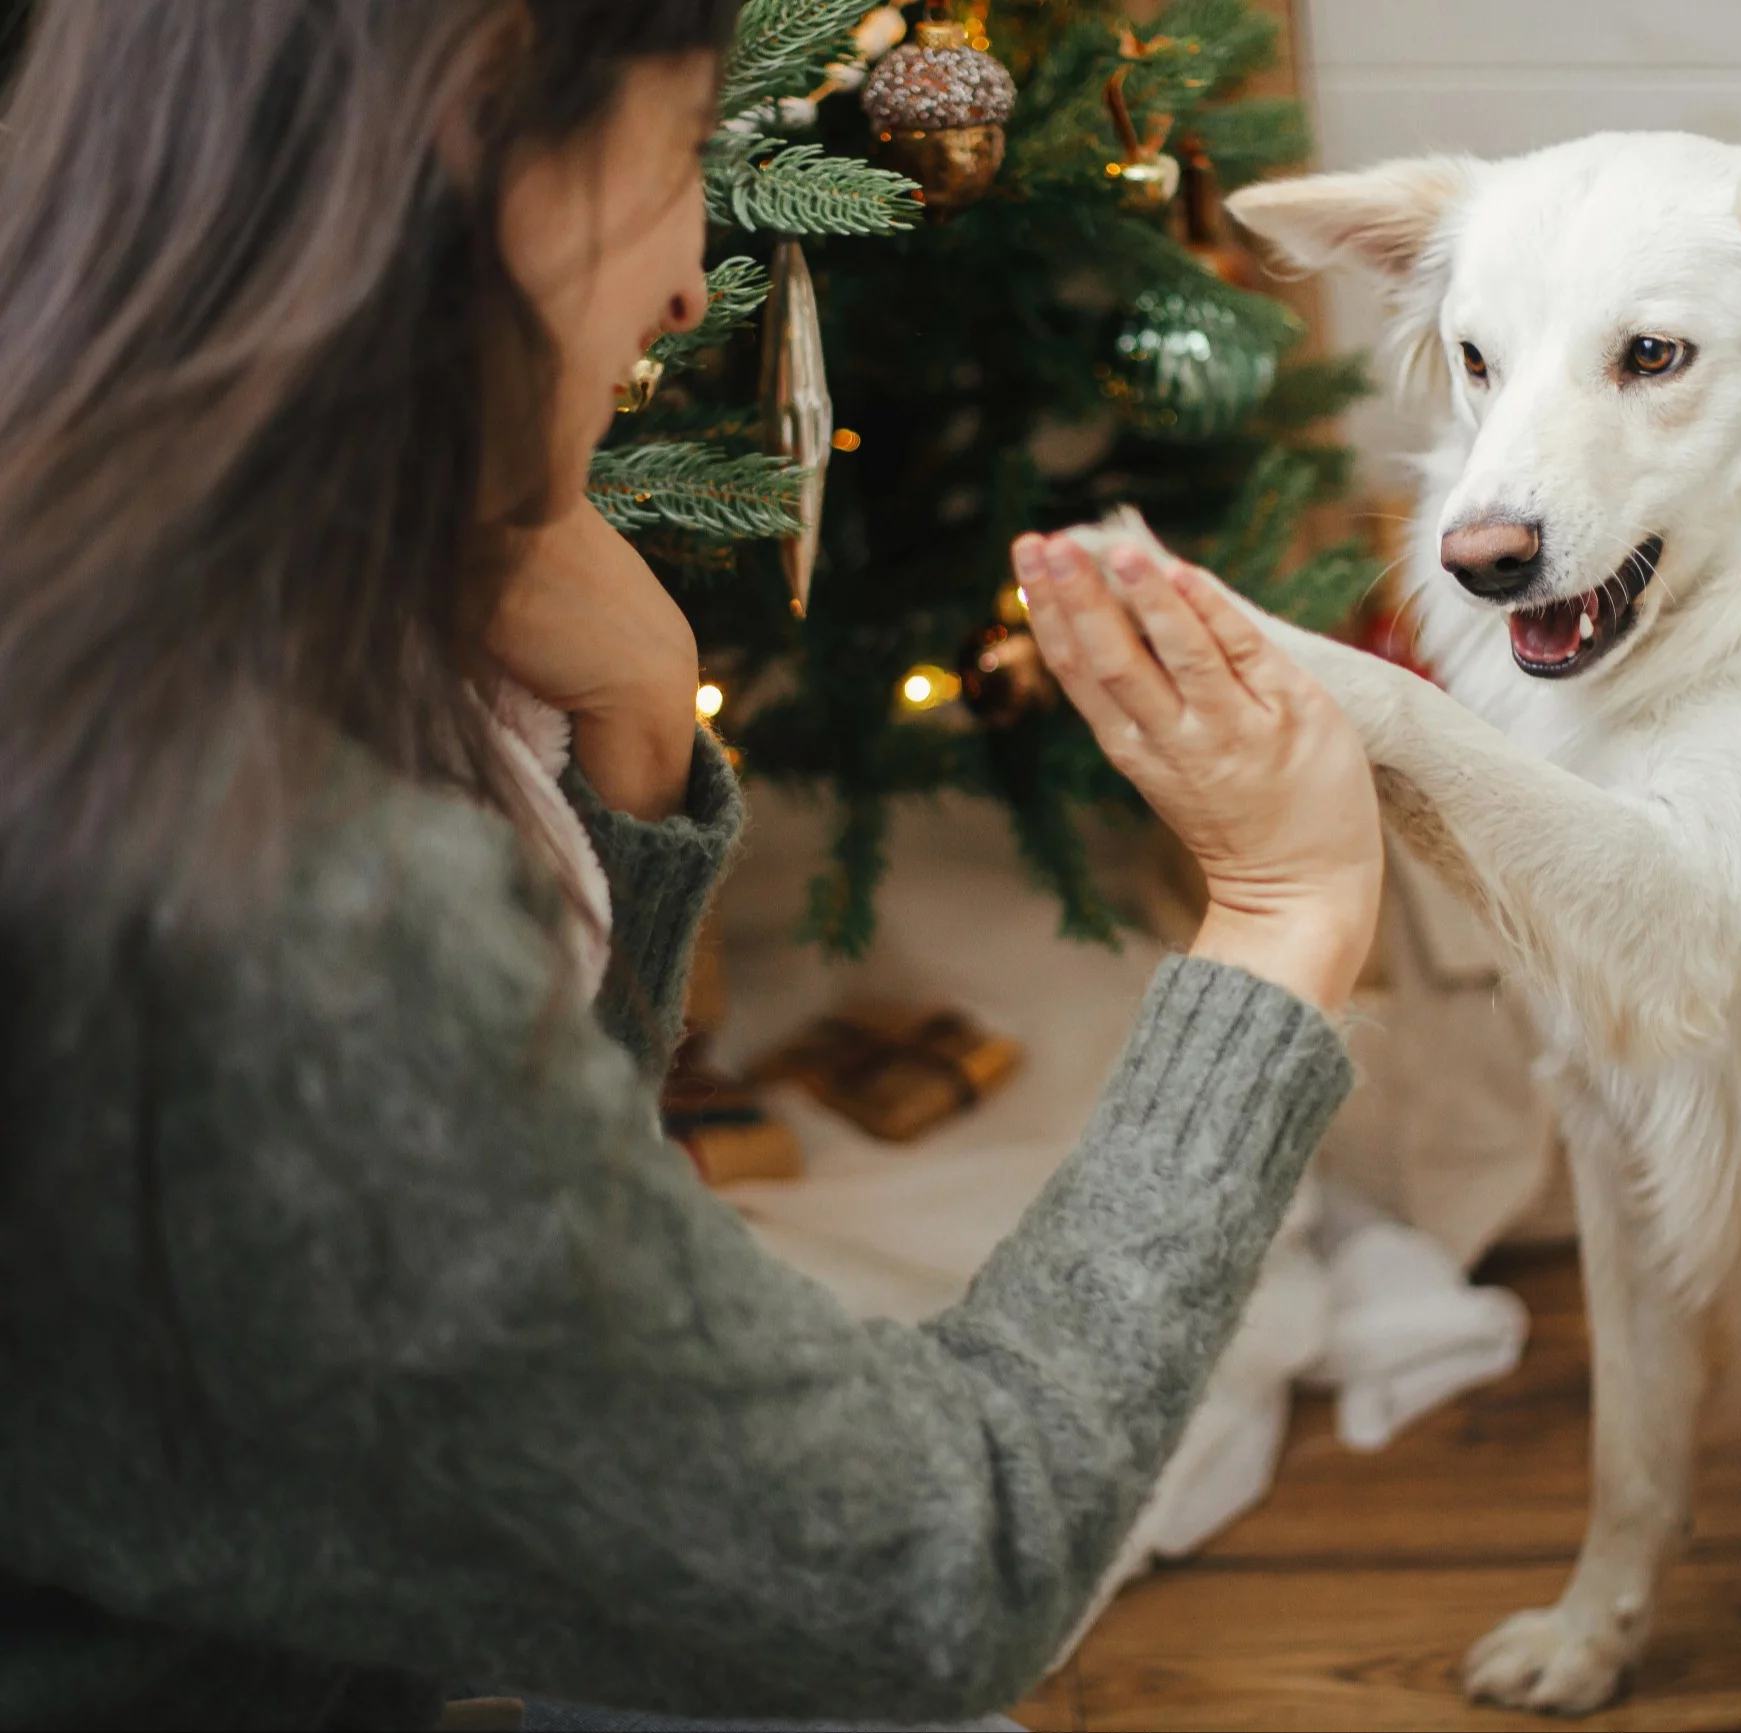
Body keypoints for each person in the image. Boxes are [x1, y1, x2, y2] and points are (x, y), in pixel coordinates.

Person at [0, 3, 1384, 1730]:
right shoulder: (279, 898)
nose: (684, 290)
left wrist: (638, 732)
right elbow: (940, 1565)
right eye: (675, 164)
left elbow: (487, 1303)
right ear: (481, 124)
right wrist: (1283, 912)